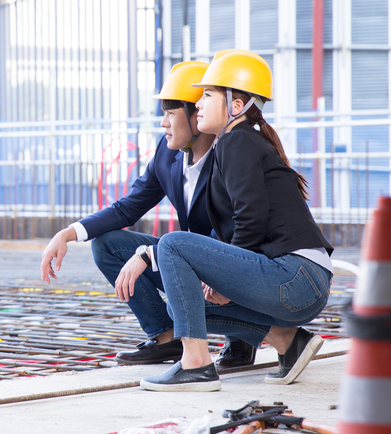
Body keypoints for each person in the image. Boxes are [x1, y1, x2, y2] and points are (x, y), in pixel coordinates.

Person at [39, 61, 257, 369]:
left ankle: (242, 336)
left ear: (198, 114)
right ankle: (165, 336)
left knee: (172, 253)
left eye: (171, 113)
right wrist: (67, 234)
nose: (164, 124)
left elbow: (240, 228)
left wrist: (150, 254)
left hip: (235, 264)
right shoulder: (167, 154)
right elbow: (128, 207)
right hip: (194, 261)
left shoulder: (231, 155)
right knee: (107, 244)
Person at [138, 49, 333, 392]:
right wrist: (214, 278)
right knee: (185, 307)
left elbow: (250, 216)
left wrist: (222, 279)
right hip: (299, 283)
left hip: (297, 278)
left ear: (236, 106)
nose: (198, 102)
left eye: (208, 95)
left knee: (171, 244)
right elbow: (232, 225)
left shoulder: (238, 140)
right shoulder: (235, 143)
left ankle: (195, 365)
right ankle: (290, 341)